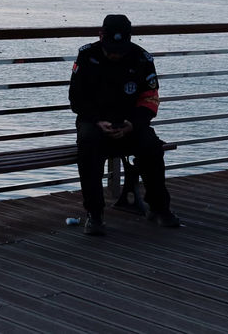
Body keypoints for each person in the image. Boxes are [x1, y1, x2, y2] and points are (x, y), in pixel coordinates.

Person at [68, 14, 180, 235]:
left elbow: (150, 98)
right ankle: (95, 214)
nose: (115, 53)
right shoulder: (86, 55)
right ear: (101, 36)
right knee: (88, 145)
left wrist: (133, 124)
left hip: (131, 123)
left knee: (152, 147)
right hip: (94, 122)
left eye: (119, 48)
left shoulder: (142, 59)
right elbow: (76, 98)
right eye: (110, 48)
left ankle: (160, 208)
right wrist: (97, 120)